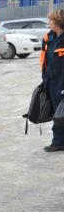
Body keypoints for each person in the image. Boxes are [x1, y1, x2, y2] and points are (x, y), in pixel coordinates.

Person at [40, 9, 64, 152]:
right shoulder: (49, 37)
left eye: (50, 20)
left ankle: (58, 142)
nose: (48, 22)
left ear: (58, 22)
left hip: (62, 81)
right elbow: (44, 59)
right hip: (52, 81)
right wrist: (44, 79)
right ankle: (59, 141)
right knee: (57, 112)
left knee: (61, 113)